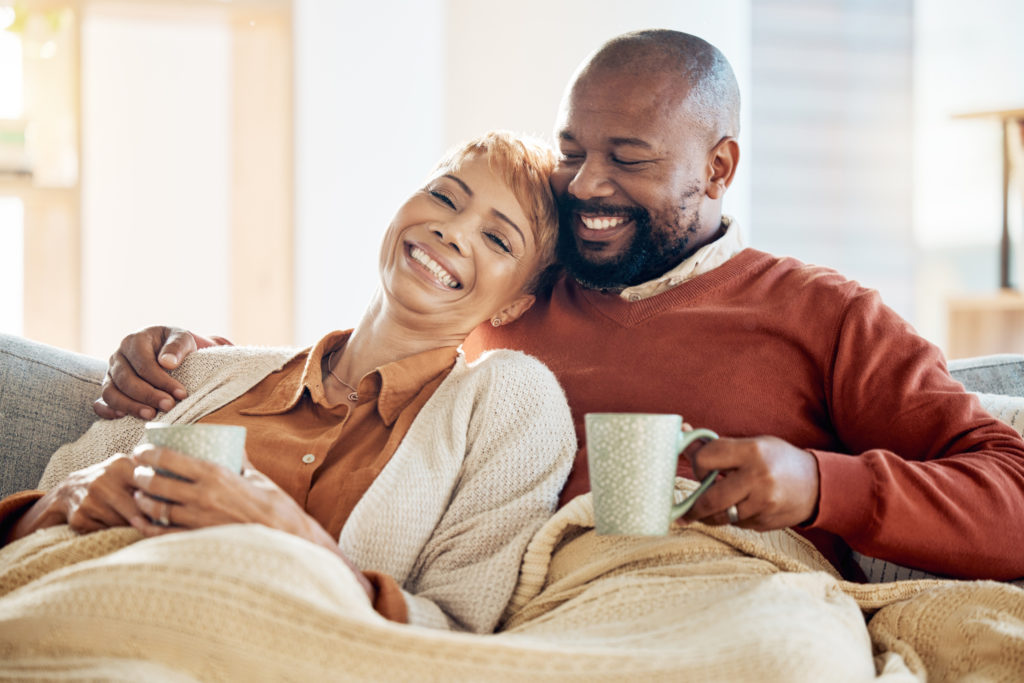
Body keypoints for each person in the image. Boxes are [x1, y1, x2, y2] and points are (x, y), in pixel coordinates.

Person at [95, 30, 1024, 581]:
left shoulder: (825, 315)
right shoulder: (515, 286)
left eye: (629, 158)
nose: (586, 184)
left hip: (725, 595)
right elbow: (365, 371)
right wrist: (189, 364)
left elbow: (1010, 487)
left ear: (719, 166)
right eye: (574, 147)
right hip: (519, 607)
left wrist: (822, 482)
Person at [0, 130, 577, 633]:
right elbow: (22, 537)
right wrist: (62, 499)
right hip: (53, 608)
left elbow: (453, 632)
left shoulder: (506, 404)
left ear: (514, 305)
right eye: (445, 196)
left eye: (499, 239)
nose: (453, 231)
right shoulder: (201, 368)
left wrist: (284, 534)